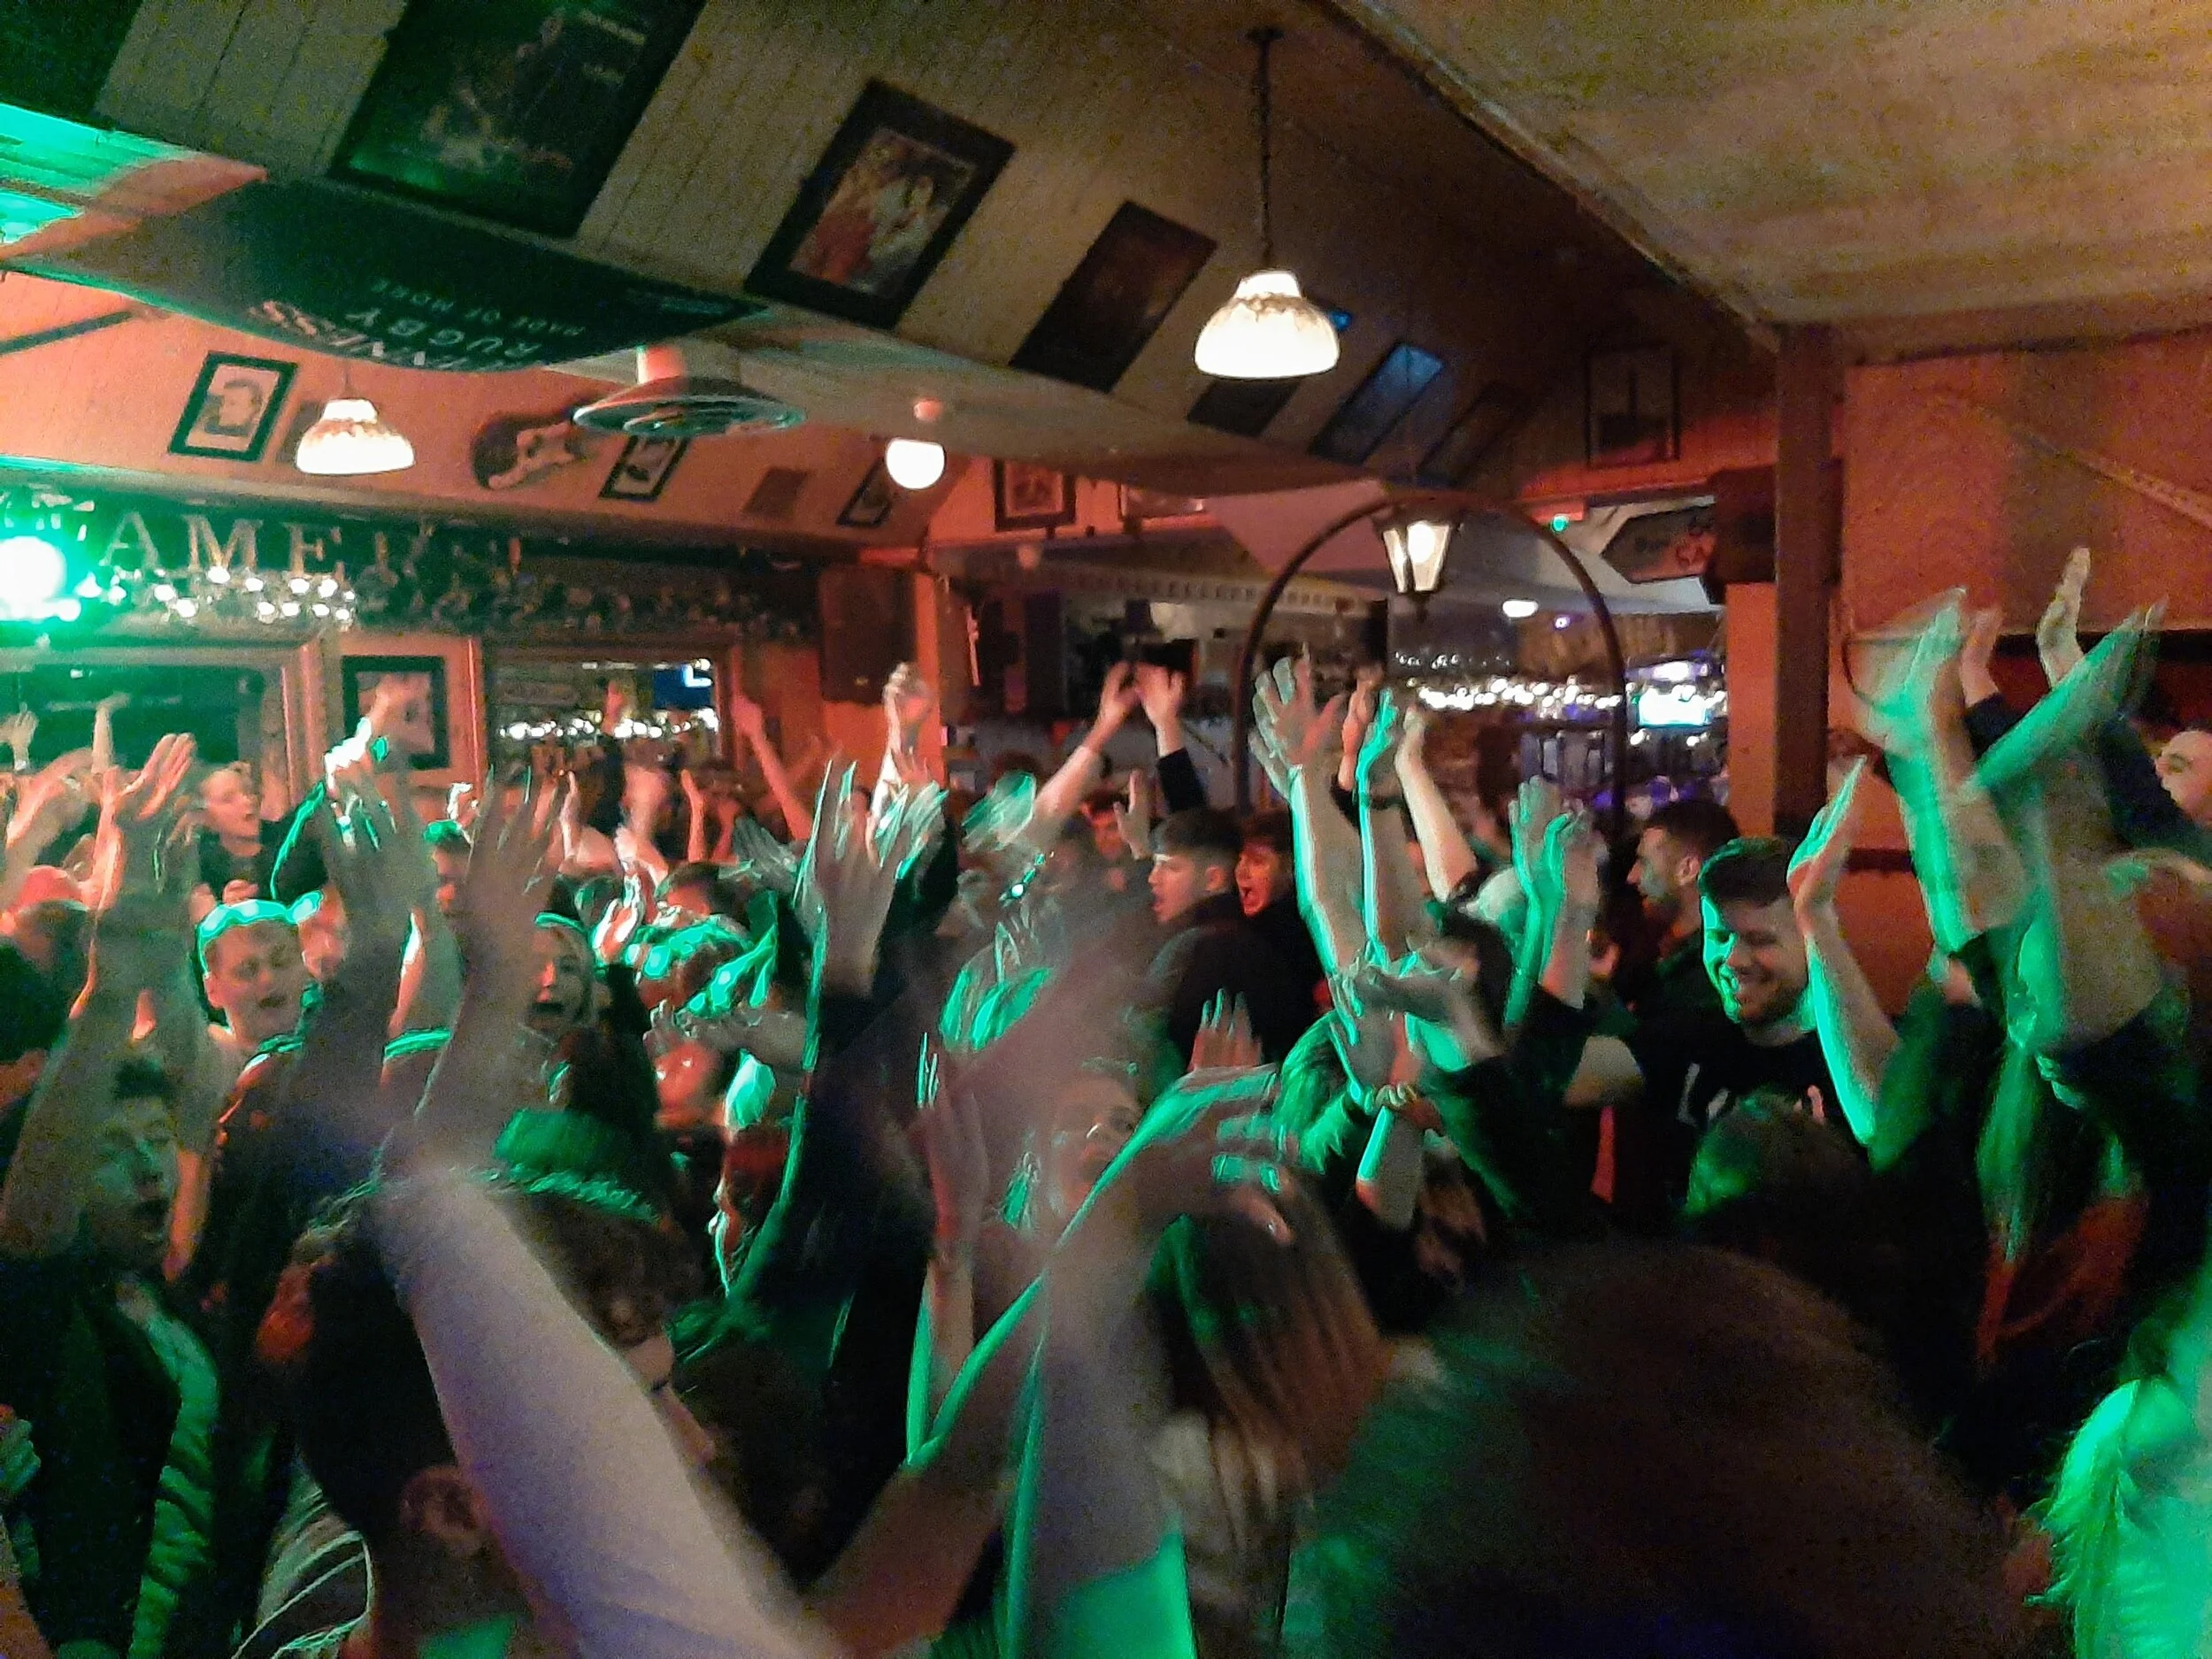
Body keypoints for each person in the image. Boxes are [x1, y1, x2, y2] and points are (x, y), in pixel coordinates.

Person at [1569, 836, 1846, 1230]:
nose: (1731, 959)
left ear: (1813, 940)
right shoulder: (1691, 1039)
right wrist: (1564, 913)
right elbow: (1556, 1076)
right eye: (1719, 937)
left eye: (1759, 940)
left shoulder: (1850, 1062)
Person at [1142, 808, 1311, 1067]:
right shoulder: (1240, 935)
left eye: (1257, 861)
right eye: (1240, 860)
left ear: (1293, 871)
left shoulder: (1221, 948)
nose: (1241, 872)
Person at [1617, 795, 1740, 1018]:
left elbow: (1644, 1036)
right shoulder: (1661, 955)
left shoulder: (1705, 981)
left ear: (1687, 870)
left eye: (1644, 862)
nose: (1632, 877)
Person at [196, 902, 311, 1088]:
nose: (268, 979)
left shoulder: (343, 1039)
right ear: (212, 990)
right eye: (247, 971)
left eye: (281, 961)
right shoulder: (202, 1073)